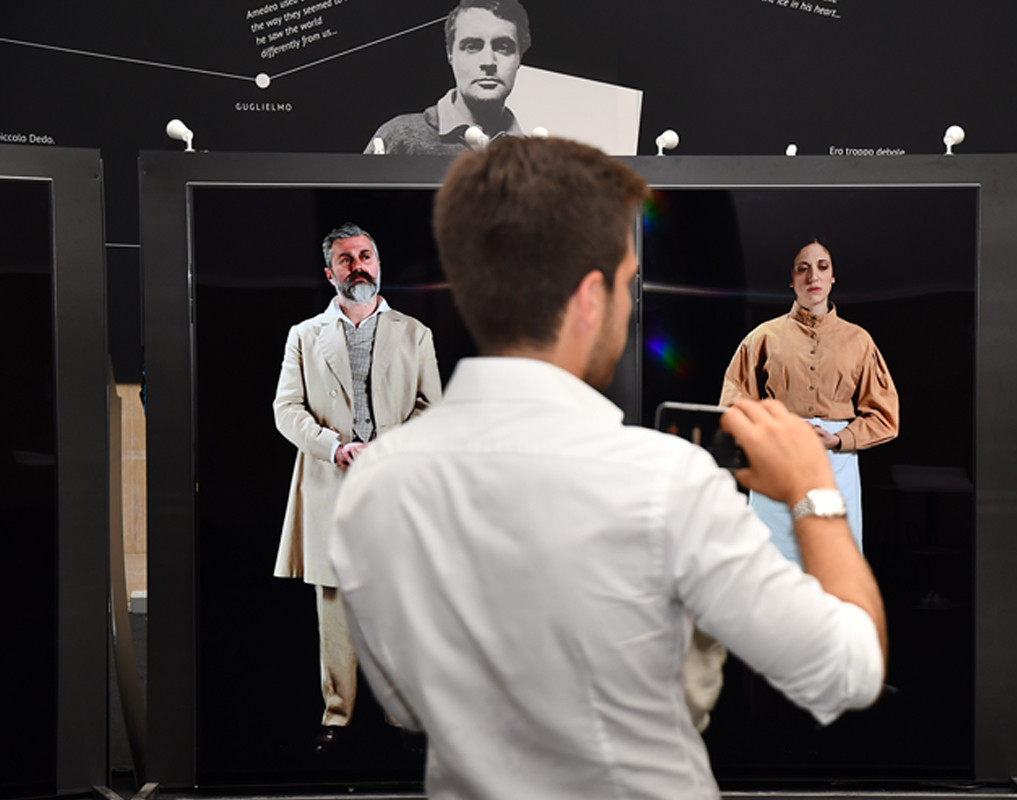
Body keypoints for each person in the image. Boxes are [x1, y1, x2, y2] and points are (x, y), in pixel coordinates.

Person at [328, 138, 887, 798]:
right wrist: (814, 489)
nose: (629, 304)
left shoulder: (371, 490)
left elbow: (406, 700)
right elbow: (849, 672)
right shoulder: (672, 485)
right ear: (592, 298)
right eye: (627, 283)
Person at [273, 222, 442, 752]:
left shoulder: (415, 333)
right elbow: (285, 409)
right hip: (330, 481)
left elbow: (432, 409)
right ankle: (338, 716)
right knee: (334, 602)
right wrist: (334, 446)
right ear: (330, 273)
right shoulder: (305, 335)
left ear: (379, 263)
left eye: (365, 255)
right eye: (346, 259)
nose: (358, 266)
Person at [720, 238, 899, 563]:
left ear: (832, 277)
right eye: (802, 269)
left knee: (835, 564)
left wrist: (840, 438)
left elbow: (884, 416)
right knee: (772, 563)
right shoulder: (762, 338)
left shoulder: (859, 341)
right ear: (791, 279)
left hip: (836, 465)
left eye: (822, 267)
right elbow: (733, 407)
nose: (813, 276)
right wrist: (768, 437)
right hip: (776, 462)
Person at [364, 0, 530, 155]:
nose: (488, 62)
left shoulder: (532, 154)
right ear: (450, 54)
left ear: (519, 58)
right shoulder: (399, 135)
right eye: (472, 46)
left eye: (503, 47)